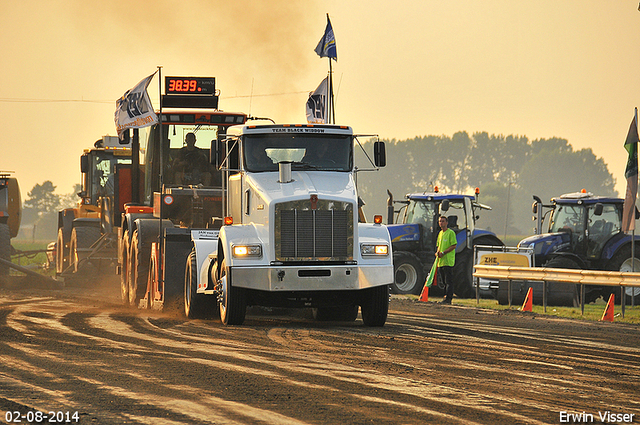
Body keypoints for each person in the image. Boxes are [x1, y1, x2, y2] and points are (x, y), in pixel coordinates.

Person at [436, 215, 457, 304]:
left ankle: (449, 298)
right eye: (440, 221)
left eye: (443, 221)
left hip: (448, 261)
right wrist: (437, 253)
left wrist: (444, 253)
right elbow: (438, 246)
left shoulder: (450, 233)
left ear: (447, 223)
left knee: (449, 281)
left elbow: (453, 245)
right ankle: (445, 297)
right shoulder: (440, 233)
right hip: (441, 261)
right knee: (444, 281)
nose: (441, 223)